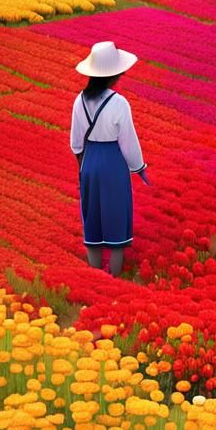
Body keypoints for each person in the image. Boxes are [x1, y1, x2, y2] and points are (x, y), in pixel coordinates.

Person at [70, 40, 148, 276]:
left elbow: (76, 143)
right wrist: (138, 166)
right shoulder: (119, 103)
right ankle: (114, 276)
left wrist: (83, 167)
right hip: (113, 162)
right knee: (116, 216)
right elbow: (128, 141)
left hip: (89, 161)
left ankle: (94, 274)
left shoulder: (80, 100)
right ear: (113, 75)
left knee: (92, 216)